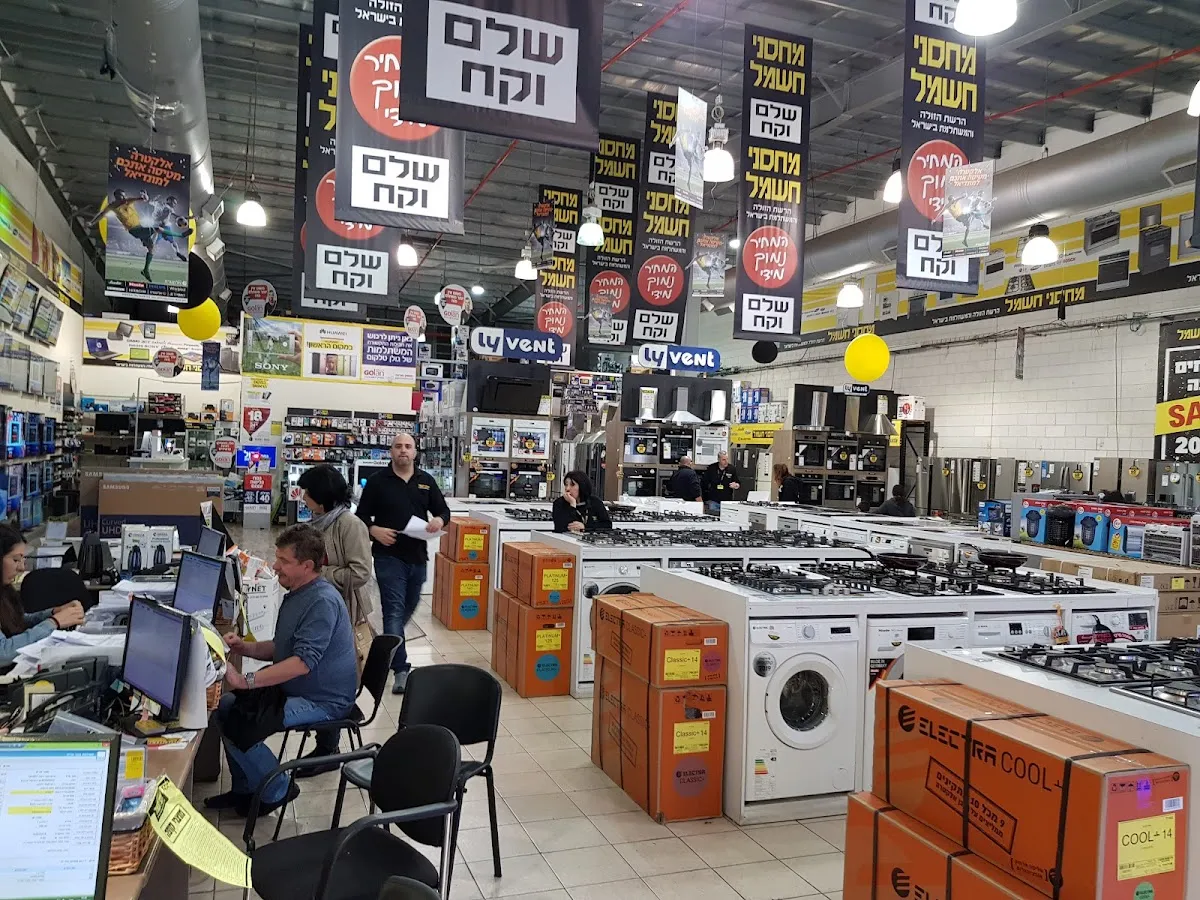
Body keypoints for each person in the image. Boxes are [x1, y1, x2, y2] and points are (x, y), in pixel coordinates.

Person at [206, 525, 358, 817]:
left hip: (324, 701)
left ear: (307, 566)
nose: (275, 566)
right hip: (298, 689)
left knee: (241, 723)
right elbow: (281, 648)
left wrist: (247, 680)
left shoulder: (321, 602)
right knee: (225, 707)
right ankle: (246, 789)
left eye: (284, 561)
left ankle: (278, 788)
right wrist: (244, 648)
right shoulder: (298, 593)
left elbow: (301, 663)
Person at [356, 432, 450, 694]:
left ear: (415, 451)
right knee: (394, 612)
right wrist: (374, 530)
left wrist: (439, 520)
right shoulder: (377, 481)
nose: (403, 450)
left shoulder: (426, 481)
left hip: (417, 556)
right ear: (391, 451)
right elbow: (361, 515)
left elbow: (443, 511)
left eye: (408, 446)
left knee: (408, 607)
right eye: (398, 446)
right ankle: (400, 669)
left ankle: (386, 644)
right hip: (388, 557)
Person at [296, 464, 373, 772]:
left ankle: (328, 747)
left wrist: (321, 574)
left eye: (307, 493)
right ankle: (327, 739)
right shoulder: (319, 523)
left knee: (330, 675)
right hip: (321, 608)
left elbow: (360, 572)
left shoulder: (349, 525)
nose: (303, 498)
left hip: (343, 611)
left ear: (322, 496)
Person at [0, 524, 85, 666]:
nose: (21, 568)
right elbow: (3, 653)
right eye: (15, 560)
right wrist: (54, 622)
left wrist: (54, 612)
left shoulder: (4, 590)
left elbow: (15, 621)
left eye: (23, 559)